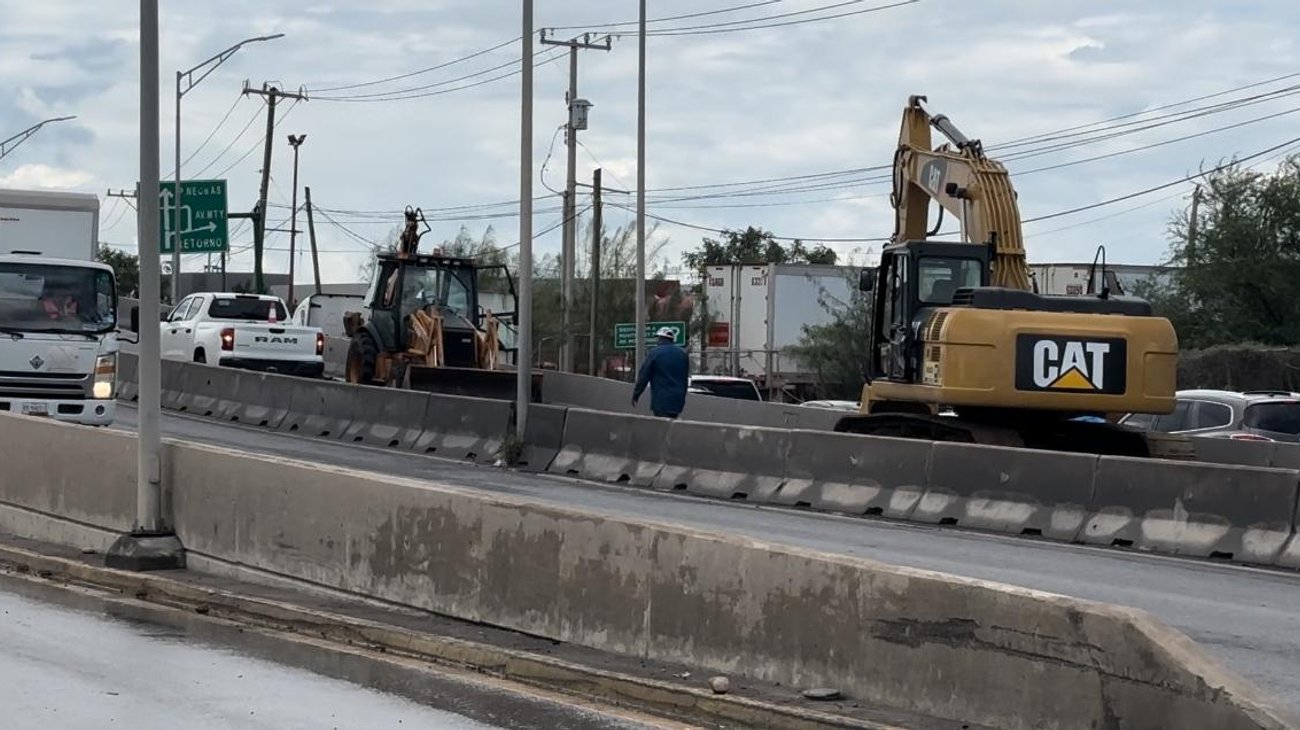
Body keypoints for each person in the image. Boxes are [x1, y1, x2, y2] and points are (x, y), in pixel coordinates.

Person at [632, 327, 689, 419]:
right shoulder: (682, 354)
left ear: (660, 338)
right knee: (672, 422)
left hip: (661, 399)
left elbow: (644, 375)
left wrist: (636, 394)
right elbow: (684, 377)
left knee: (662, 424)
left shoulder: (655, 353)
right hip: (678, 399)